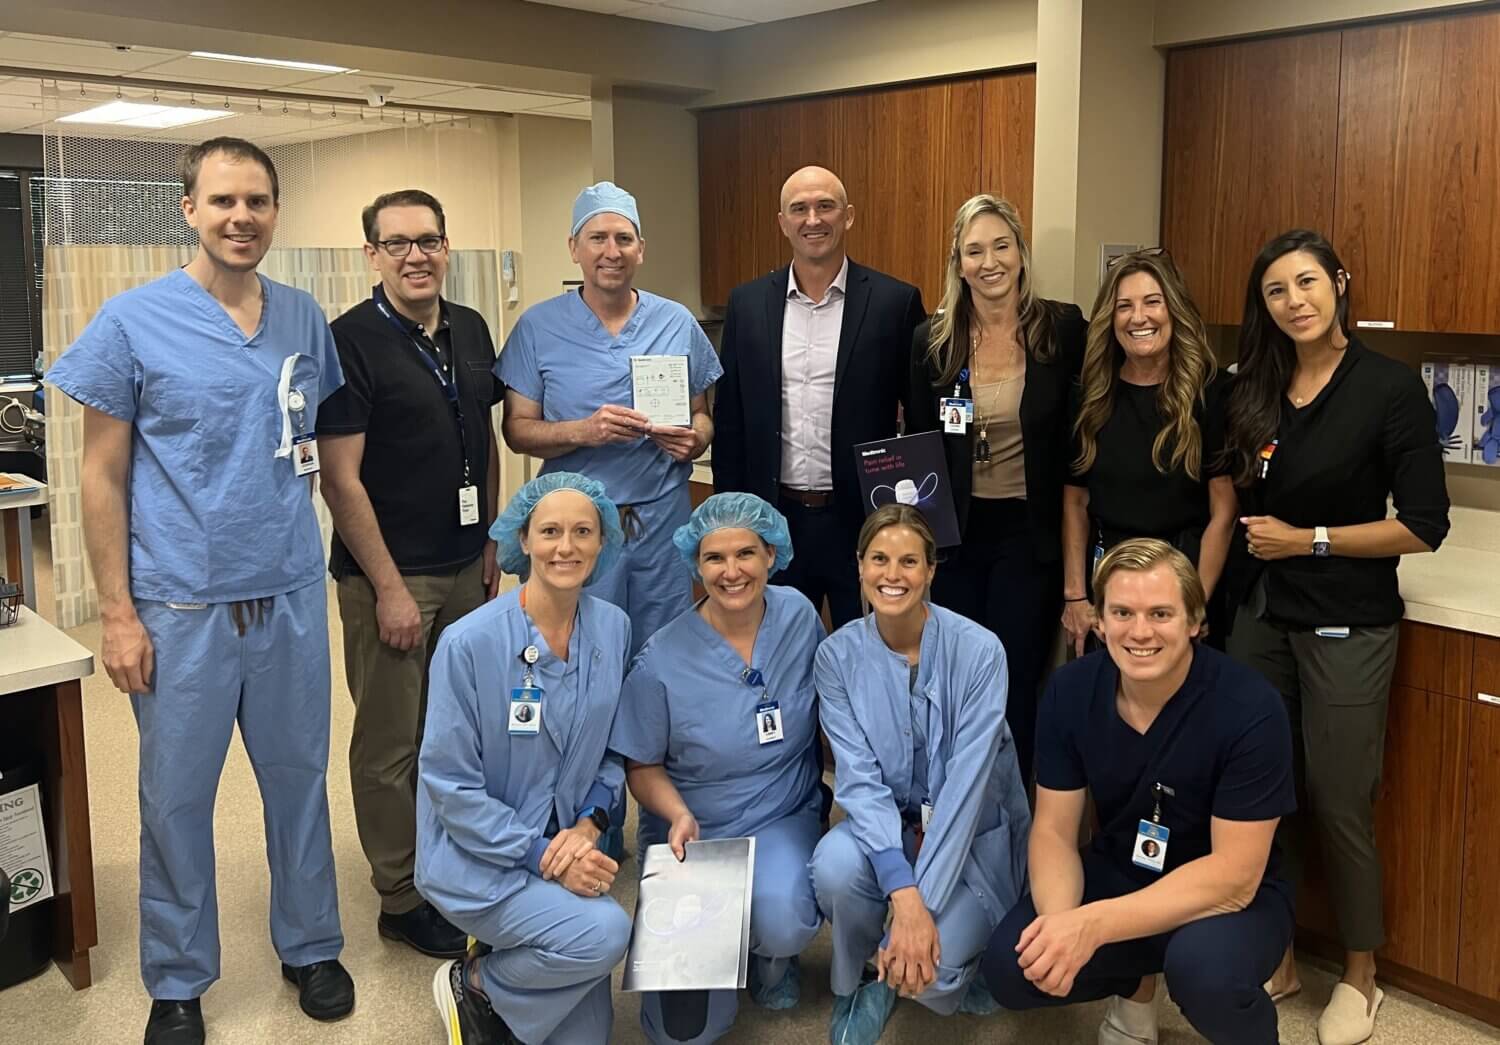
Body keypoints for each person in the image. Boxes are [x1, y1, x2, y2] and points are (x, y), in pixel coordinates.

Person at [45, 137, 352, 1045]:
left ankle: (311, 945)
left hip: (291, 594)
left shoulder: (303, 319)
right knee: (174, 798)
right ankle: (178, 979)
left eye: (257, 201)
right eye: (222, 201)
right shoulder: (133, 320)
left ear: (275, 211)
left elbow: (315, 449)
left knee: (300, 781)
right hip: (180, 606)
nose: (241, 217)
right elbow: (101, 476)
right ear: (188, 209)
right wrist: (116, 613)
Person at [1221, 230, 1449, 1045]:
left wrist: (1310, 538)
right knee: (1259, 790)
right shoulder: (1257, 385)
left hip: (1347, 618)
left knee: (1339, 799)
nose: (1295, 301)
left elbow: (1425, 526)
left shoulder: (1389, 389)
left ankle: (1361, 973)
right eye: (1277, 290)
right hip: (1261, 616)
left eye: (1308, 282)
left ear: (1340, 283)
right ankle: (1275, 945)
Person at [980, 538, 1296, 1045]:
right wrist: (1064, 928)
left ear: (1195, 620)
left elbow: (1235, 877)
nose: (1141, 631)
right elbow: (1055, 831)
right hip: (1125, 866)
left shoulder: (1250, 707)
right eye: (1122, 612)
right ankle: (1136, 986)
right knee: (1011, 968)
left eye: (1161, 613)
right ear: (1099, 622)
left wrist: (1094, 927)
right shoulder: (1071, 690)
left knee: (1204, 972)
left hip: (1230, 895)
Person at [316, 188, 502, 960]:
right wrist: (389, 585)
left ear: (446, 245)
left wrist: (494, 535)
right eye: (396, 244)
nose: (415, 255)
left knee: (454, 728)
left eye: (427, 240)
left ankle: (446, 861)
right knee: (392, 740)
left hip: (466, 561)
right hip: (390, 575)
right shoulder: (348, 341)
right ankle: (399, 893)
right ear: (371, 255)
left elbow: (484, 437)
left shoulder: (470, 327)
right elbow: (340, 478)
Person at [417, 472, 634, 1045]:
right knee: (607, 933)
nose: (567, 547)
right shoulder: (469, 644)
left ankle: (511, 948)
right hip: (480, 856)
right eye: (551, 531)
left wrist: (590, 823)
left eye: (583, 531)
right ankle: (478, 982)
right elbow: (450, 787)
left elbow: (612, 752)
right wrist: (543, 855)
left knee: (585, 1039)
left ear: (602, 542)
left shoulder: (613, 629)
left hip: (569, 844)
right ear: (523, 540)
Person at [809, 505, 1031, 1044]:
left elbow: (966, 787)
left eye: (909, 561)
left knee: (935, 972)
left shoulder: (980, 652)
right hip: (888, 824)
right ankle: (864, 978)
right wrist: (904, 897)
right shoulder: (836, 656)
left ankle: (941, 960)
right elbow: (858, 780)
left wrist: (918, 908)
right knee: (834, 869)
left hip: (969, 831)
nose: (893, 574)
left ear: (931, 571)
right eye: (879, 559)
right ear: (859, 566)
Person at [611, 493, 825, 1044]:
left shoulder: (799, 616)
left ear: (772, 554)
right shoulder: (660, 659)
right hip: (695, 833)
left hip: (781, 812)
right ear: (694, 563)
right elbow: (642, 764)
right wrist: (677, 812)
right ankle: (721, 945)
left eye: (746, 553)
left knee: (785, 917)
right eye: (714, 558)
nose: (731, 572)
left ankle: (769, 956)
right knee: (682, 1034)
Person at [906, 193, 1088, 787]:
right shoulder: (933, 341)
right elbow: (921, 440)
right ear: (958, 264)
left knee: (1014, 685)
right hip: (954, 536)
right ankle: (954, 813)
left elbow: (1076, 446)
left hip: (1027, 537)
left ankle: (1016, 824)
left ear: (1021, 254)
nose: (990, 262)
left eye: (1001, 246)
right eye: (974, 250)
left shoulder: (1062, 329)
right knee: (953, 684)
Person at [496, 181, 720, 658]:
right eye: (597, 238)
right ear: (574, 248)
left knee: (662, 652)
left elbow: (702, 416)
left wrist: (695, 440)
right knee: (578, 649)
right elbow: (516, 430)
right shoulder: (539, 327)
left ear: (641, 249)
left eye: (623, 238)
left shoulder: (676, 322)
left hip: (662, 520)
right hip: (578, 524)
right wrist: (584, 431)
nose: (611, 251)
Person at [712, 165, 925, 628]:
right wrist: (730, 518)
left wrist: (910, 522)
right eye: (800, 209)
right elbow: (730, 420)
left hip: (863, 520)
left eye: (825, 206)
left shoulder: (895, 303)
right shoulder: (747, 305)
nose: (813, 219)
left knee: (869, 648)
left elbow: (920, 421)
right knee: (778, 649)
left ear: (848, 216)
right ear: (782, 222)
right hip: (774, 518)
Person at [1061, 250, 1235, 655]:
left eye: (1152, 302)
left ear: (1173, 310)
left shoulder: (1210, 392)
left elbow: (1223, 511)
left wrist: (1194, 605)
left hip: (1184, 579)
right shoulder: (1089, 396)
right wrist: (1075, 597)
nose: (1139, 318)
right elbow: (1075, 500)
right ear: (1111, 318)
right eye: (1125, 306)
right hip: (1108, 587)